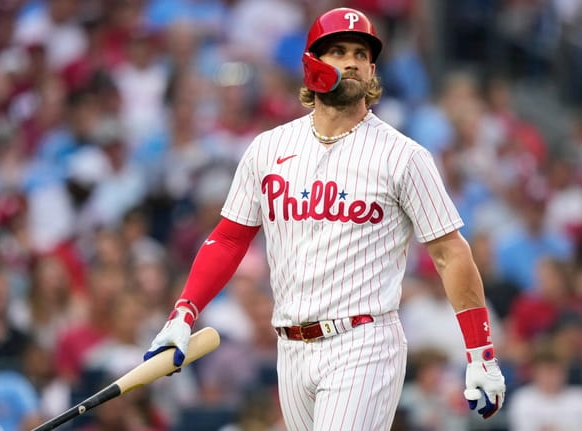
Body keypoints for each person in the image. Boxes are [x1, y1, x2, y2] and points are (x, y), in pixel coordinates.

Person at [144, 7, 506, 431]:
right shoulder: (268, 148)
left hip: (363, 341)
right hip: (291, 347)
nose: (351, 61)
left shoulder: (403, 156)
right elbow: (228, 239)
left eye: (360, 53)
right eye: (337, 50)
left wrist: (481, 353)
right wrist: (183, 314)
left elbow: (449, 253)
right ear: (311, 64)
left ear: (372, 71)